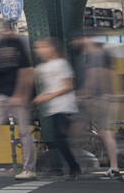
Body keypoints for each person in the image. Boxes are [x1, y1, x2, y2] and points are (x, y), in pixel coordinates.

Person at [0, 21, 36, 180]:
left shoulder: (18, 44)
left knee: (24, 132)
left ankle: (29, 169)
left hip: (15, 95)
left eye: (5, 30)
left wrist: (21, 95)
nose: (3, 33)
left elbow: (26, 72)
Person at [31, 38, 81, 180]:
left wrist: (48, 97)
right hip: (54, 108)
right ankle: (71, 167)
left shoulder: (62, 64)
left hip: (65, 106)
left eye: (42, 47)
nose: (38, 50)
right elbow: (51, 86)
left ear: (52, 48)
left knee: (60, 139)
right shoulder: (44, 67)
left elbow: (68, 86)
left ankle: (74, 167)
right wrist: (41, 96)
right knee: (60, 139)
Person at [71, 33, 120, 178]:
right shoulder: (98, 54)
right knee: (80, 130)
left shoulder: (93, 55)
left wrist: (86, 93)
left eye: (78, 37)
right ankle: (113, 166)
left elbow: (94, 77)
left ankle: (113, 166)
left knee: (80, 130)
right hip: (99, 98)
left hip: (96, 99)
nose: (75, 41)